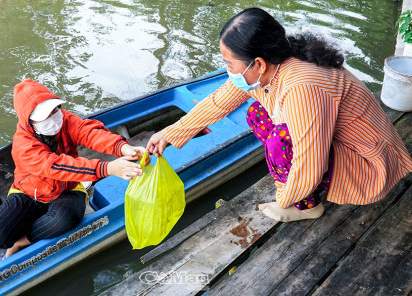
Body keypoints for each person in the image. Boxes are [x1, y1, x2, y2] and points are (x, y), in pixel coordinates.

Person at [147, 7, 412, 222]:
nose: (227, 70)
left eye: (229, 64)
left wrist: (284, 200)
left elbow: (311, 163)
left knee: (280, 141)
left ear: (258, 64)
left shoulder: (302, 87)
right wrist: (168, 134)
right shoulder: (278, 62)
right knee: (257, 113)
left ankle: (307, 206)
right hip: (335, 143)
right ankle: (301, 194)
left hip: (368, 162)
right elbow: (219, 102)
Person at [0, 79, 149, 259]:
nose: (55, 116)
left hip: (67, 188)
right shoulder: (23, 145)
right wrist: (107, 168)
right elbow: (56, 166)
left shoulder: (65, 120)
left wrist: (122, 148)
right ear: (29, 122)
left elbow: (89, 133)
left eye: (55, 109)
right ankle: (11, 232)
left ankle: (21, 241)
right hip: (28, 192)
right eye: (46, 115)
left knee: (63, 220)